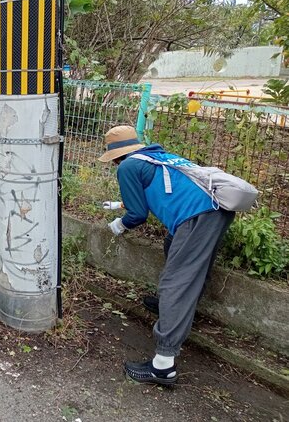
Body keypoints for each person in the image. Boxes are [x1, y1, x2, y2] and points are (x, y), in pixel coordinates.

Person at [98, 125, 235, 386]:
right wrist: (117, 205)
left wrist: (119, 224)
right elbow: (160, 192)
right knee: (177, 250)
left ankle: (163, 365)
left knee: (176, 282)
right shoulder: (156, 156)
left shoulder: (127, 167)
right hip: (213, 210)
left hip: (197, 217)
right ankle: (174, 309)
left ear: (115, 155)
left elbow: (138, 214)